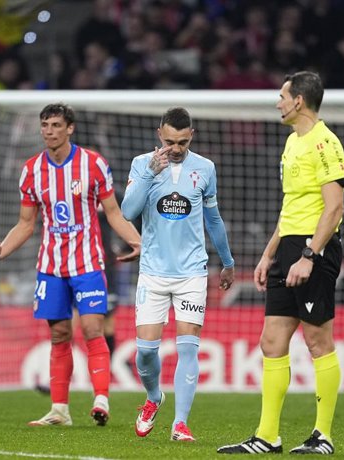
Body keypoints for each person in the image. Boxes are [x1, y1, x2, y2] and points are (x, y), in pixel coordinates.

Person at [0, 103, 141, 427]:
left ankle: (101, 399)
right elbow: (25, 224)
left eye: (55, 125)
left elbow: (113, 213)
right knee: (59, 335)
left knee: (93, 329)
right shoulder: (31, 170)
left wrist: (138, 242)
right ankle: (59, 410)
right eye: (44, 125)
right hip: (51, 267)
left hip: (88, 263)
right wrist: (2, 251)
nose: (48, 131)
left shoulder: (93, 164)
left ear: (70, 129)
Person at [217, 71, 344, 455]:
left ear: (299, 102)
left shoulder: (326, 143)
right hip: (289, 247)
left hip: (315, 249)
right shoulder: (292, 142)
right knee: (271, 342)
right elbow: (292, 206)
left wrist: (309, 255)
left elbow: (334, 206)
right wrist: (269, 252)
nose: (277, 103)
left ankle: (322, 436)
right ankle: (266, 436)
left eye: (281, 96)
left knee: (317, 340)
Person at [121, 107, 235, 442]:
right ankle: (154, 397)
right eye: (170, 141)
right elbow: (128, 212)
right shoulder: (143, 164)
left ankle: (180, 424)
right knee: (145, 352)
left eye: (182, 142)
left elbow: (213, 220)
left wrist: (227, 261)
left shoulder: (205, 169)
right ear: (160, 134)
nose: (176, 148)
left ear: (191, 137)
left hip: (191, 274)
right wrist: (147, 176)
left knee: (188, 350)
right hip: (154, 273)